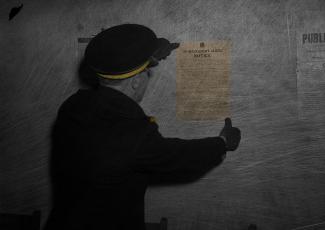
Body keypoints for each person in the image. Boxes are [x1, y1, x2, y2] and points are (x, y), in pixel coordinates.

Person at [44, 24, 241, 230]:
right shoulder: (134, 131)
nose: (148, 74)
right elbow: (179, 156)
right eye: (147, 71)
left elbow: (115, 55)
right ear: (137, 82)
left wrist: (148, 54)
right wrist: (222, 143)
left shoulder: (72, 106)